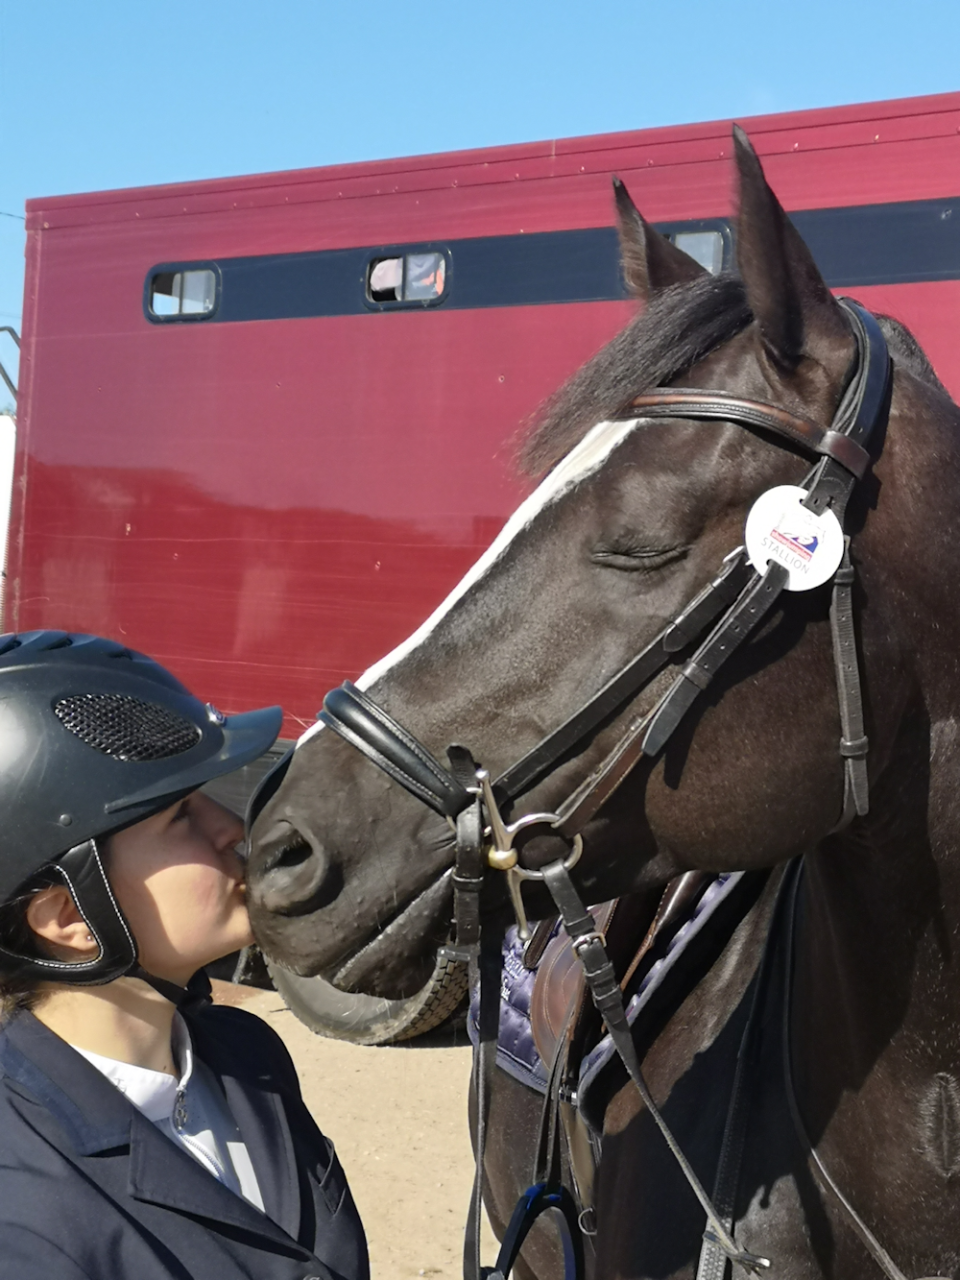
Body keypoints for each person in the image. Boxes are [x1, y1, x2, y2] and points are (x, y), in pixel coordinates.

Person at [0, 630, 369, 1280]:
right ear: (71, 918)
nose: (231, 829)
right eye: (180, 815)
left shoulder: (246, 1054)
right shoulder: (24, 1218)